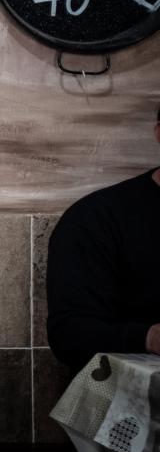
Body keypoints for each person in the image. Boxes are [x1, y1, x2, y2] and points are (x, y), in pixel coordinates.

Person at [47, 106, 160, 371]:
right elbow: (68, 334)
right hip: (131, 404)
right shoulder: (95, 219)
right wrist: (149, 337)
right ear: (159, 132)